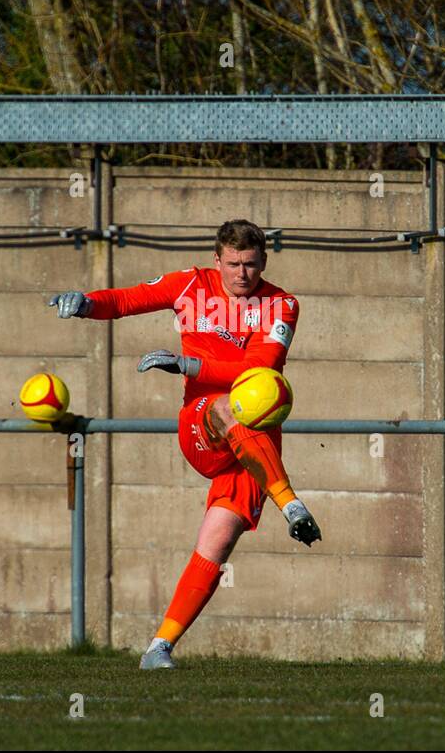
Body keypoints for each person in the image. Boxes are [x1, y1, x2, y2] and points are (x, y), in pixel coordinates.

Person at [48, 218, 320, 669]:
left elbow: (258, 369)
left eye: (251, 265)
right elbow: (128, 299)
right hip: (204, 427)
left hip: (257, 445)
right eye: (233, 264)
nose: (242, 274)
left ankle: (159, 648)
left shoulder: (282, 305)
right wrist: (85, 304)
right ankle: (291, 504)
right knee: (226, 407)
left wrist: (187, 364)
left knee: (218, 539)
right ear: (217, 260)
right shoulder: (190, 284)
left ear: (264, 262)